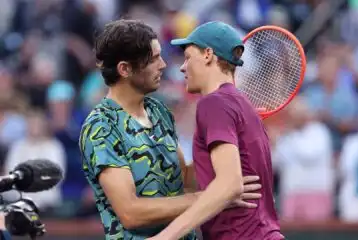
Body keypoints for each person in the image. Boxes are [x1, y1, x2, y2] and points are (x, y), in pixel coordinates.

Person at [79, 19, 262, 240]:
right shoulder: (101, 126)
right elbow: (130, 212)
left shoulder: (158, 110)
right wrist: (216, 197)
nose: (164, 65)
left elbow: (183, 179)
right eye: (154, 59)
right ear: (124, 69)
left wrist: (227, 141)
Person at [148, 21, 284, 240]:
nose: (183, 67)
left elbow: (229, 184)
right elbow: (217, 178)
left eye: (188, 57)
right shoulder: (242, 105)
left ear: (208, 54)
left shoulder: (214, 103)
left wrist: (164, 237)